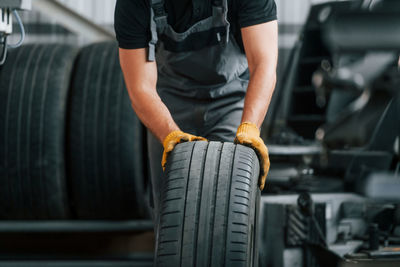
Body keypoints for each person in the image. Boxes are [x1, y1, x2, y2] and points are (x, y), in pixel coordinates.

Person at [114, 0, 278, 226]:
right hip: (169, 106)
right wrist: (169, 134)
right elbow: (140, 87)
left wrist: (250, 127)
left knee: (233, 211)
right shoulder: (135, 3)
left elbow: (264, 65)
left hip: (231, 102)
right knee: (171, 215)